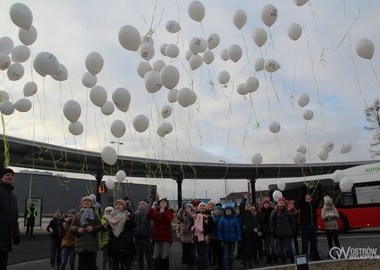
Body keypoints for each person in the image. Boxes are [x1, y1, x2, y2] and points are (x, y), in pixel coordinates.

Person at [70, 196, 101, 270]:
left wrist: (92, 228)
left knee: (91, 265)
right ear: (81, 204)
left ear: (92, 204)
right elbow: (71, 228)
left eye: (89, 201)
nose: (87, 202)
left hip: (92, 243)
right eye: (85, 201)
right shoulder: (77, 215)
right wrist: (78, 229)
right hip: (81, 244)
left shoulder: (95, 214)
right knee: (81, 265)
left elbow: (100, 226)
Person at [105, 199, 136, 270]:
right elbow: (106, 229)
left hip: (125, 244)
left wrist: (128, 219)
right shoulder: (111, 216)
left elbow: (132, 227)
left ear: (124, 206)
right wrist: (108, 224)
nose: (118, 206)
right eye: (116, 204)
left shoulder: (127, 214)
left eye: (120, 204)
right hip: (114, 244)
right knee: (115, 264)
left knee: (125, 265)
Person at [0, 168, 20, 270]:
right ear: (1, 177)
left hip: (6, 239)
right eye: (7, 175)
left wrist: (16, 234)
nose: (10, 177)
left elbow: (14, 217)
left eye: (12, 175)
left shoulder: (13, 196)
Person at [147, 197, 174, 270]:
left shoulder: (169, 211)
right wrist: (152, 208)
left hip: (165, 237)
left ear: (167, 204)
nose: (162, 203)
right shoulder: (156, 212)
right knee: (156, 255)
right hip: (157, 237)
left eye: (164, 202)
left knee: (164, 255)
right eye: (161, 202)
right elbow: (148, 217)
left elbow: (168, 220)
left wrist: (163, 212)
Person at [270, 197, 295, 264]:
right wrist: (273, 232)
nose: (281, 202)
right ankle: (283, 262)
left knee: (289, 247)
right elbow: (272, 223)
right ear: (278, 203)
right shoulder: (274, 212)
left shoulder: (288, 211)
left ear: (284, 203)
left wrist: (293, 230)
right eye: (280, 201)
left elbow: (292, 222)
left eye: (282, 201)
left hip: (287, 233)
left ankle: (292, 261)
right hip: (279, 234)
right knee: (280, 249)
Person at [192, 201, 215, 270]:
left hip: (205, 238)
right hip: (197, 238)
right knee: (199, 255)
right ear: (198, 208)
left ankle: (206, 268)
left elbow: (212, 227)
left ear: (206, 208)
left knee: (204, 255)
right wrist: (192, 227)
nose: (202, 207)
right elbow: (192, 225)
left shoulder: (208, 216)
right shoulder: (195, 216)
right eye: (200, 206)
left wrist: (204, 231)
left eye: (203, 206)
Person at [217, 205, 241, 270]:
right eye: (226, 210)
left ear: (232, 211)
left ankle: (231, 267)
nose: (228, 211)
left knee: (231, 255)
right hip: (225, 240)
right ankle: (225, 267)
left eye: (229, 210)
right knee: (225, 255)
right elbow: (219, 230)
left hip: (233, 240)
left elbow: (238, 229)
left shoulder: (235, 219)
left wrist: (238, 239)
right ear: (224, 211)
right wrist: (220, 239)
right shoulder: (222, 220)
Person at [298, 194, 321, 261]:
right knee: (305, 244)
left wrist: (320, 192)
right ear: (304, 199)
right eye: (306, 197)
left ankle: (315, 256)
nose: (308, 198)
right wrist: (304, 191)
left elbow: (319, 199)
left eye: (309, 197)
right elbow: (301, 200)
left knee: (314, 242)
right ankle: (304, 257)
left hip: (313, 226)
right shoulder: (302, 205)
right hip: (304, 227)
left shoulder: (313, 204)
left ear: (311, 198)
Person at [239, 195, 260, 268]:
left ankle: (250, 262)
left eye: (249, 205)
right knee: (246, 250)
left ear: (252, 207)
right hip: (246, 235)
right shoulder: (243, 214)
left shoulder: (254, 215)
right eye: (247, 205)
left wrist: (257, 229)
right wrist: (245, 198)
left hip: (253, 235)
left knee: (252, 249)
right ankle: (245, 263)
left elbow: (257, 224)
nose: (248, 206)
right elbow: (241, 205)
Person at [134, 201, 154, 270]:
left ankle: (150, 268)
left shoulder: (148, 213)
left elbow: (151, 226)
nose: (141, 205)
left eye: (143, 204)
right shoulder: (135, 213)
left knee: (148, 255)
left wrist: (150, 236)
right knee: (140, 256)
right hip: (137, 237)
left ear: (145, 206)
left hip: (146, 237)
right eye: (139, 204)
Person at [176, 203, 196, 270]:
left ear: (191, 208)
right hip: (183, 236)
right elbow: (179, 216)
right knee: (185, 251)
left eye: (189, 207)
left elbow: (191, 217)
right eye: (187, 207)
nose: (188, 209)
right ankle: (187, 264)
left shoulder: (193, 214)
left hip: (191, 236)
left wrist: (187, 211)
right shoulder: (183, 215)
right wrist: (181, 210)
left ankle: (191, 265)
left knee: (191, 252)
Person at [259, 199, 276, 264]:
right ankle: (268, 258)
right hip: (265, 231)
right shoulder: (261, 211)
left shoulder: (272, 210)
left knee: (273, 244)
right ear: (263, 205)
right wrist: (265, 214)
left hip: (271, 230)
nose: (266, 204)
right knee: (266, 245)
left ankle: (275, 257)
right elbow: (260, 220)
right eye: (265, 203)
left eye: (267, 203)